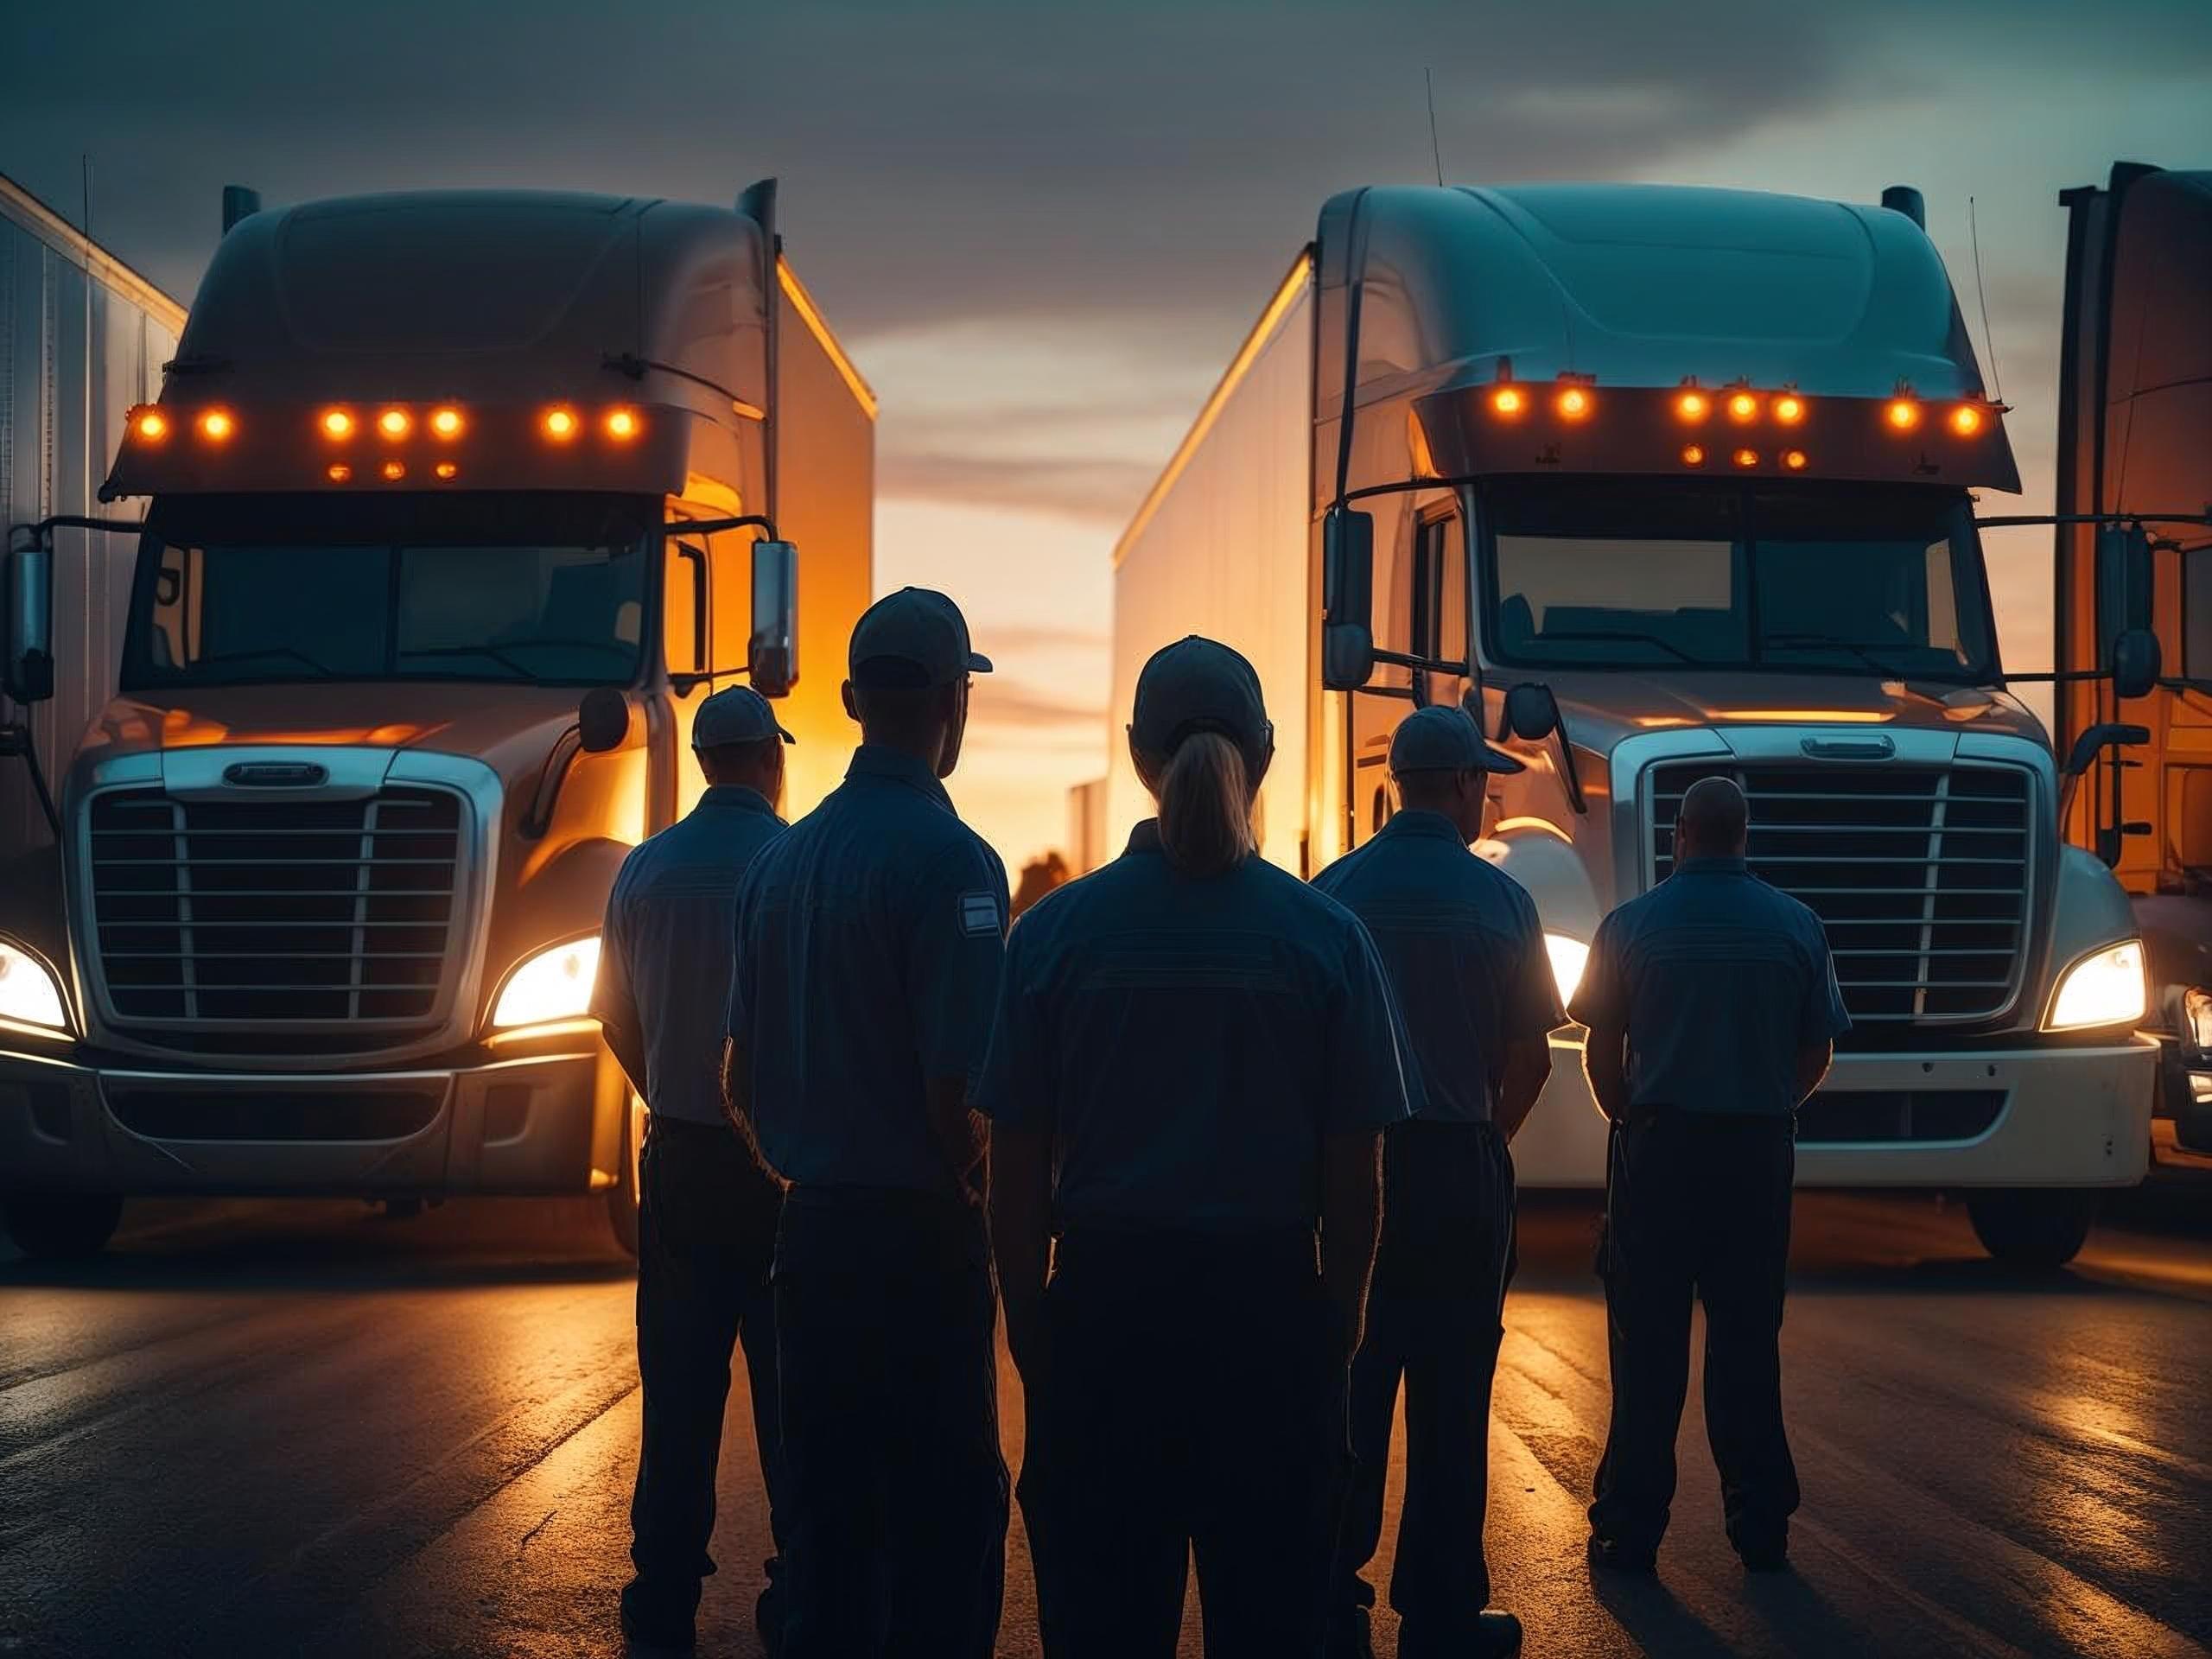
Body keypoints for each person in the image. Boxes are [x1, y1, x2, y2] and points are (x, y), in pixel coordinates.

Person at [981, 635, 1413, 1659]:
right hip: (1267, 1327)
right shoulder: (1323, 938)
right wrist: (1336, 1328)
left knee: (1102, 1625)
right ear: (1263, 754)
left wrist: (1033, 1327)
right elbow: (1357, 1181)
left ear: (1137, 752)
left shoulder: (1053, 937)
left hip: (1105, 1322)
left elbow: (1011, 1174)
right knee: (1270, 1621)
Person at [722, 588, 1010, 1658]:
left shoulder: (776, 866)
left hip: (813, 1236)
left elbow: (739, 1077)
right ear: (950, 703)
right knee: (948, 1515)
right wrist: (984, 1201)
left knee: (830, 1523)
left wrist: (808, 1169)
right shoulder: (954, 865)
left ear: (848, 699)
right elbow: (959, 1092)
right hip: (920, 1241)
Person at [1312, 704, 1564, 1659]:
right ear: (1459, 785)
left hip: (1356, 1168)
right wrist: (1481, 1142)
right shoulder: (1501, 903)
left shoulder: (1334, 892)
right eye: (1484, 785)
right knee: (1454, 1395)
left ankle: (1331, 1591)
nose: (1486, 800)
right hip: (1459, 1164)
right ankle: (1441, 1609)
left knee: (1351, 1381)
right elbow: (1531, 1060)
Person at [1568, 774, 1850, 1573]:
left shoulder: (1631, 926)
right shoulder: (1797, 926)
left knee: (1647, 1350)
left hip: (1660, 1152)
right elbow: (1817, 1048)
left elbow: (1598, 1048)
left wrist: (1627, 1116)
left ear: (1680, 836)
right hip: (1755, 1155)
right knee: (1748, 1345)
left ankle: (1629, 1523)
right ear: (1744, 835)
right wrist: (1767, 1105)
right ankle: (1759, 1521)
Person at [588, 684, 796, 1656]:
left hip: (678, 1161)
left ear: (710, 762)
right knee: (794, 1395)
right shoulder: (793, 865)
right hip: (783, 1171)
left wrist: (672, 1089)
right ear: (768, 759)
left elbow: (615, 1018)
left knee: (679, 1397)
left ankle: (662, 1592)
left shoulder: (645, 871)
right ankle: (798, 1584)